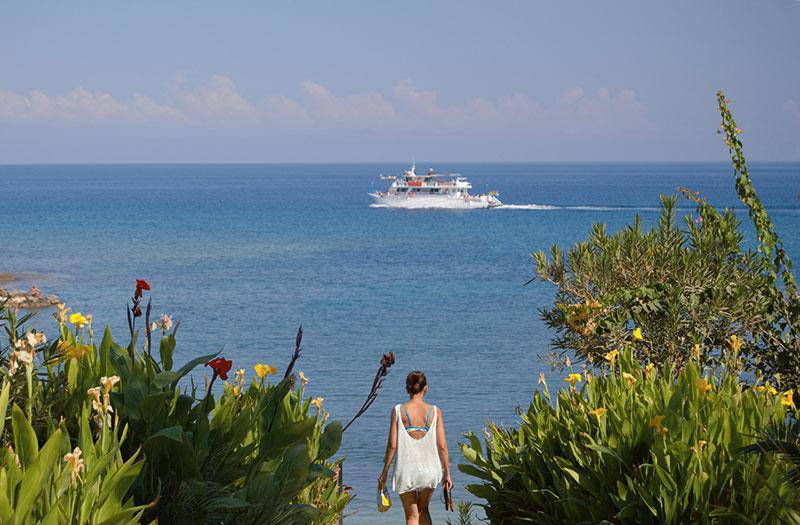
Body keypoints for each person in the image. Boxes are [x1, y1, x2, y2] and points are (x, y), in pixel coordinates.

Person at [378, 371, 452, 525]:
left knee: (412, 516)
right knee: (422, 509)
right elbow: (442, 446)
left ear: (407, 389)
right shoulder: (435, 412)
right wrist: (447, 474)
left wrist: (384, 473)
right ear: (426, 388)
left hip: (406, 471)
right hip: (430, 470)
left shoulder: (398, 411)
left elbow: (392, 445)